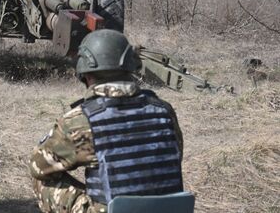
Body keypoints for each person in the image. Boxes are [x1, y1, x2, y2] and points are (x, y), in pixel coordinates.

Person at [29, 29, 184, 213]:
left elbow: (38, 166)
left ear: (85, 74)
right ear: (130, 67)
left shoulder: (80, 120)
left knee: (42, 180)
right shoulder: (164, 111)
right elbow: (175, 156)